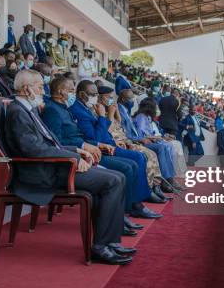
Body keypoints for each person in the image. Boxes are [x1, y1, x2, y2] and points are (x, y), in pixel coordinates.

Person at [5, 70, 134, 265]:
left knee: (117, 177)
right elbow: (34, 150)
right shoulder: (17, 112)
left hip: (56, 166)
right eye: (40, 87)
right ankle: (101, 247)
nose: (43, 90)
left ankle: (110, 243)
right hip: (43, 173)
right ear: (26, 89)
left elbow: (51, 144)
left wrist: (76, 150)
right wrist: (73, 156)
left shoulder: (27, 109)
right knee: (114, 180)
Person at [42, 76, 157, 231]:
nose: (72, 94)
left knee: (134, 162)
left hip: (93, 148)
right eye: (70, 90)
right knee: (128, 167)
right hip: (79, 155)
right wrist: (89, 143)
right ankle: (126, 212)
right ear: (61, 91)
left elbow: (83, 136)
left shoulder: (65, 108)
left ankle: (131, 208)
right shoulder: (56, 109)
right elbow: (57, 142)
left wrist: (96, 143)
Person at [69, 80, 161, 219]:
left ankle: (137, 202)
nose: (96, 97)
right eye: (93, 94)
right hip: (100, 148)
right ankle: (133, 206)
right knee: (136, 159)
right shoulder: (78, 109)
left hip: (109, 144)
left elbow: (107, 131)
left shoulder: (88, 107)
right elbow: (96, 136)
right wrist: (101, 116)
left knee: (139, 157)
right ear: (82, 94)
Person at [132, 96, 187, 180]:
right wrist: (156, 137)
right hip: (143, 142)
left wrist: (163, 136)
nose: (157, 108)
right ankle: (167, 178)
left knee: (170, 145)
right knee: (163, 147)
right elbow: (141, 135)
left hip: (152, 140)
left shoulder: (147, 117)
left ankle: (170, 176)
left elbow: (152, 132)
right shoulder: (141, 117)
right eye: (155, 106)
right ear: (150, 107)